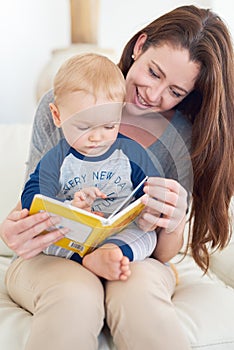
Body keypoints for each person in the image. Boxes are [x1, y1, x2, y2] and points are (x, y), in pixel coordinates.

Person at [1, 5, 234, 350]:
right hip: (54, 257)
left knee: (139, 299)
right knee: (73, 297)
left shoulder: (178, 134)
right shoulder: (66, 102)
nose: (155, 96)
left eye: (175, 91)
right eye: (154, 73)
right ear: (140, 46)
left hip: (136, 257)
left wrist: (173, 220)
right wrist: (13, 230)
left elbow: (163, 254)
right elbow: (34, 199)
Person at [21, 53, 160, 281]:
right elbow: (32, 196)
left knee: (146, 237)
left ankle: (110, 254)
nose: (97, 137)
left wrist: (151, 205)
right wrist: (69, 208)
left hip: (118, 232)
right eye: (84, 127)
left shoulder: (131, 153)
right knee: (47, 241)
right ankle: (86, 260)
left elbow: (151, 184)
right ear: (57, 116)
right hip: (74, 235)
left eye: (108, 126)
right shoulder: (56, 158)